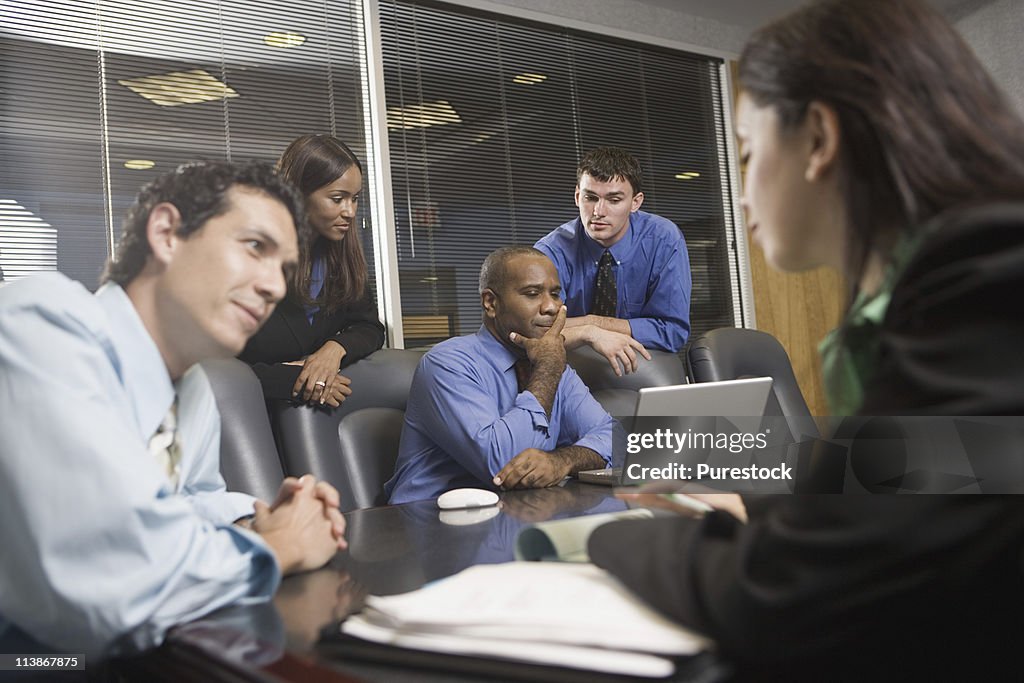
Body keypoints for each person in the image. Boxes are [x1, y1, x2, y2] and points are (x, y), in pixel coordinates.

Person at [587, 0, 1024, 679]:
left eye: (750, 152)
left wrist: (605, 542)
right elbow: (956, 461)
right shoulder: (955, 277)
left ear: (818, 139)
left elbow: (786, 595)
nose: (738, 196)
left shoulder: (988, 281)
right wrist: (763, 498)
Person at [0, 161, 348, 660]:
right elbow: (114, 581)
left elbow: (186, 501)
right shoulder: (40, 322)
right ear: (166, 233)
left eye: (284, 269)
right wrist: (279, 548)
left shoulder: (196, 387)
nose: (274, 287)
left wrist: (262, 516)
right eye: (255, 247)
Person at [385, 246, 614, 503]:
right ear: (491, 303)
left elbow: (615, 436)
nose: (551, 307)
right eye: (532, 293)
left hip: (514, 514)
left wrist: (563, 460)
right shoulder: (447, 363)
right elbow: (503, 464)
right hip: (427, 519)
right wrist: (548, 369)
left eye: (555, 294)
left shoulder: (551, 362)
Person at [241, 134, 385, 407]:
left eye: (354, 199)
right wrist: (295, 379)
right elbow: (207, 367)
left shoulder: (340, 257)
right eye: (337, 198)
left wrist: (332, 351)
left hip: (312, 422)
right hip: (250, 420)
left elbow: (369, 327)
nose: (350, 211)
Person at [534, 147, 691, 375]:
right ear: (578, 196)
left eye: (614, 200)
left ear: (635, 202)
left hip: (642, 371)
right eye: (590, 198)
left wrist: (592, 322)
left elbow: (672, 331)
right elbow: (537, 329)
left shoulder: (664, 240)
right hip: (568, 373)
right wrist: (589, 332)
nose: (599, 211)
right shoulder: (550, 251)